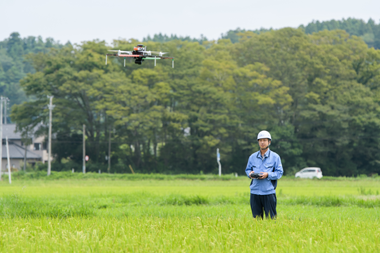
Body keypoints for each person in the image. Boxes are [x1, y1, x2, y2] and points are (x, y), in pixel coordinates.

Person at [245, 130, 283, 219]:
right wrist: (250, 174)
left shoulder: (275, 157)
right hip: (255, 192)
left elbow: (279, 173)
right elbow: (247, 170)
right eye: (260, 140)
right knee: (257, 219)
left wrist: (268, 175)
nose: (262, 142)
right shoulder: (252, 157)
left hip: (268, 192)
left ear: (269, 142)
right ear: (258, 142)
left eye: (264, 140)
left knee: (271, 219)